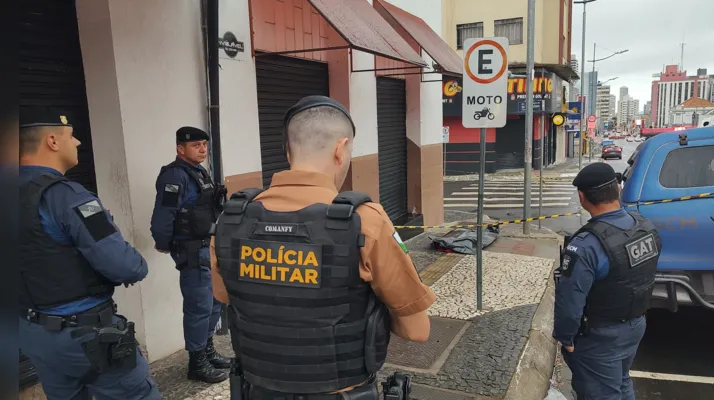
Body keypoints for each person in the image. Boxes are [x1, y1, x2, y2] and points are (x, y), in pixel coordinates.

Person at [210, 96, 435, 399]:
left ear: (288, 150)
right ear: (340, 150)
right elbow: (416, 330)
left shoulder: (232, 220)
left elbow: (226, 295)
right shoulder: (364, 221)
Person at [18, 107, 161, 399]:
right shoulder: (66, 196)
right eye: (71, 135)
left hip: (32, 333)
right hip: (86, 337)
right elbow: (126, 267)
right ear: (52, 142)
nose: (79, 142)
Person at [553, 162, 662, 400]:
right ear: (618, 190)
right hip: (635, 325)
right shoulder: (644, 226)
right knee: (621, 383)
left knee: (600, 392)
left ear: (582, 197)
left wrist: (565, 337)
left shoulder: (586, 246)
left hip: (600, 336)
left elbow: (570, 300)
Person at [150, 127, 231, 383]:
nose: (203, 150)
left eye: (204, 145)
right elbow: (164, 214)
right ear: (180, 149)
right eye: (196, 145)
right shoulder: (174, 176)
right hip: (192, 250)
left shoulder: (199, 173)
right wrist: (163, 242)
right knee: (199, 306)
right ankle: (197, 362)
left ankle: (207, 351)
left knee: (215, 301)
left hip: (209, 246)